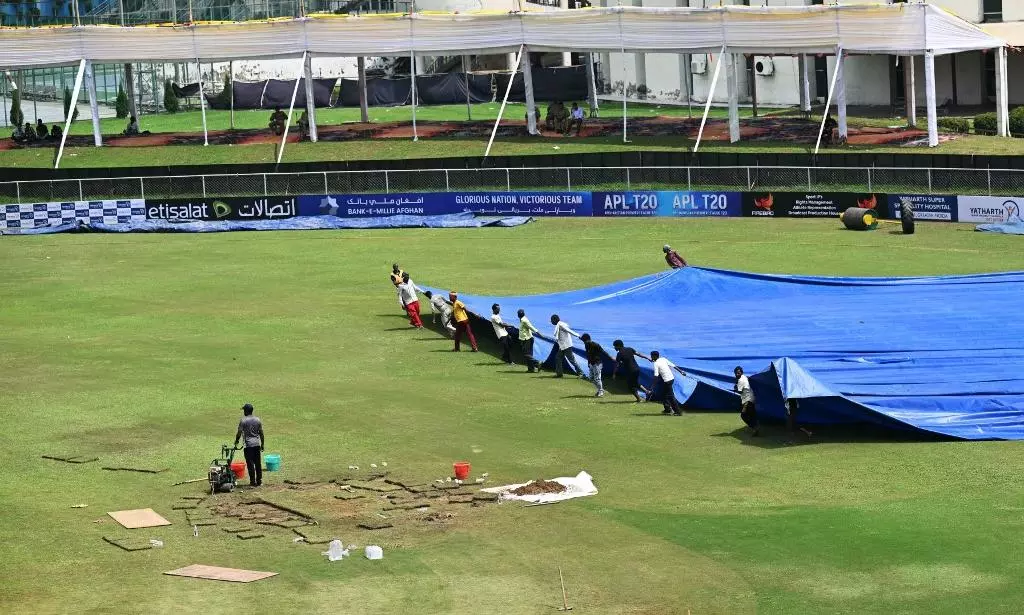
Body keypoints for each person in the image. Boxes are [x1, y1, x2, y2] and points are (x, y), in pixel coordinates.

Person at [233, 403, 265, 488]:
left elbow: (239, 432)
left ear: (246, 411)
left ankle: (252, 482)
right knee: (258, 463)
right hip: (257, 444)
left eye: (244, 410)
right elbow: (261, 433)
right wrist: (262, 444)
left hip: (248, 446)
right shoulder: (258, 420)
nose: (243, 411)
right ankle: (259, 481)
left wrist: (236, 441)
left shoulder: (243, 420)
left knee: (250, 464)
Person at [650, 350, 684, 416]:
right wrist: (681, 371)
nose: (651, 357)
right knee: (664, 395)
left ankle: (678, 412)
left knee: (670, 397)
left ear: (654, 356)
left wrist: (652, 386)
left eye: (651, 356)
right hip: (671, 378)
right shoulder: (663, 359)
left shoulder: (656, 364)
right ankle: (667, 409)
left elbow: (656, 376)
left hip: (667, 380)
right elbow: (673, 365)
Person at [550, 314, 583, 378]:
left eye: (552, 320)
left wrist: (578, 335)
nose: (551, 322)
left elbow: (569, 330)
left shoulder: (561, 325)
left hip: (566, 345)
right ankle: (559, 374)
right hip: (563, 346)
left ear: (554, 320)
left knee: (571, 360)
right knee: (558, 358)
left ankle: (581, 373)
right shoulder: (559, 325)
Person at [735, 366, 759, 436]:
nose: (737, 374)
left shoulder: (740, 380)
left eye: (738, 373)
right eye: (736, 373)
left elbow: (739, 391)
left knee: (743, 415)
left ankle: (754, 428)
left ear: (741, 373)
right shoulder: (745, 377)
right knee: (752, 415)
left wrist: (735, 388)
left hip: (747, 400)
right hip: (752, 398)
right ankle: (756, 428)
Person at [518, 308, 540, 373]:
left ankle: (537, 362)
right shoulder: (522, 319)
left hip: (527, 339)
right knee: (529, 354)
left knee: (526, 354)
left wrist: (539, 333)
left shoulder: (524, 320)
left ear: (518, 315)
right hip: (526, 339)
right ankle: (531, 369)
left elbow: (531, 327)